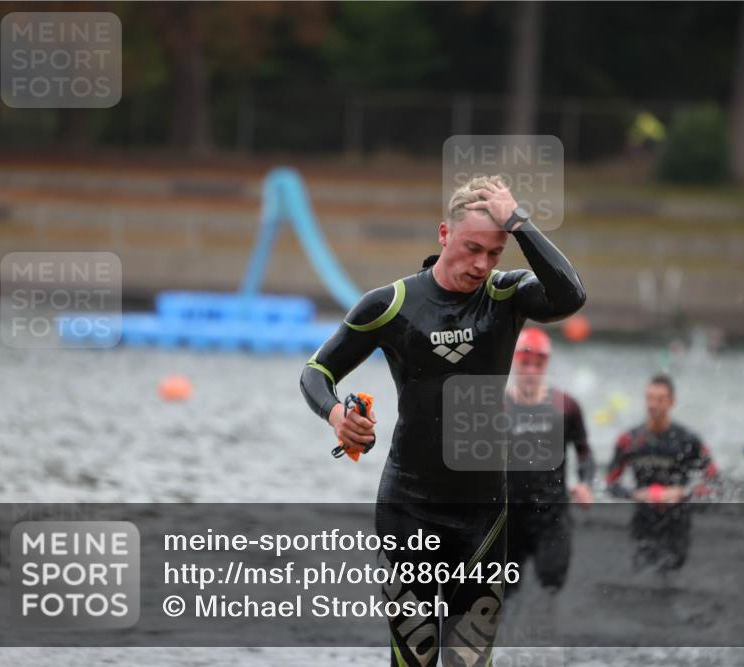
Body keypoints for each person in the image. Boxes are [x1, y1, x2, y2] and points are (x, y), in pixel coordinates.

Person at [300, 175, 585, 667]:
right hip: (407, 508)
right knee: (413, 659)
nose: (481, 264)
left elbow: (570, 296)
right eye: (472, 248)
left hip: (482, 515)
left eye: (494, 253)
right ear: (443, 234)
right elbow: (316, 372)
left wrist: (520, 224)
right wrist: (335, 414)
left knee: (468, 662)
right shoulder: (390, 305)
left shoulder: (506, 296)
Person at [503, 327, 594, 598]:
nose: (531, 370)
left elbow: (585, 452)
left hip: (551, 515)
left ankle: (549, 636)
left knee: (552, 580)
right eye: (525, 362)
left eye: (538, 364)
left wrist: (586, 484)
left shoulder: (565, 407)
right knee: (503, 593)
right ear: (514, 362)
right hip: (508, 517)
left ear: (546, 365)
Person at [606, 374, 718, 572]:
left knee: (671, 568)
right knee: (643, 573)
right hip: (643, 518)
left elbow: (714, 480)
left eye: (660, 399)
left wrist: (682, 493)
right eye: (649, 398)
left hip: (676, 520)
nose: (653, 405)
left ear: (672, 402)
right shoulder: (629, 440)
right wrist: (634, 494)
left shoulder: (688, 440)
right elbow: (610, 483)